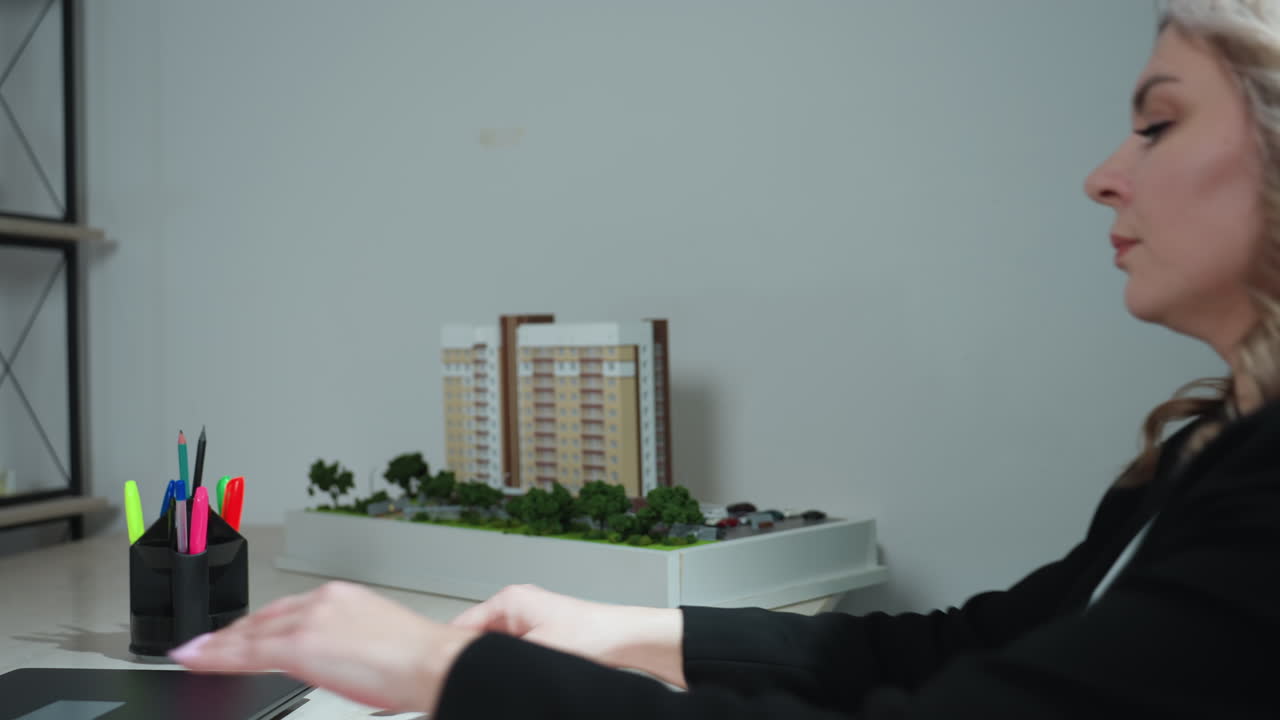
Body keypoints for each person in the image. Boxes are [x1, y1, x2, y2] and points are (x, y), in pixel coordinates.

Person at [171, 1, 1280, 716]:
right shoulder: (1204, 449)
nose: (1102, 174)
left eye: (1155, 125)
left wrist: (444, 673)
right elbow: (969, 651)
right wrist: (631, 630)